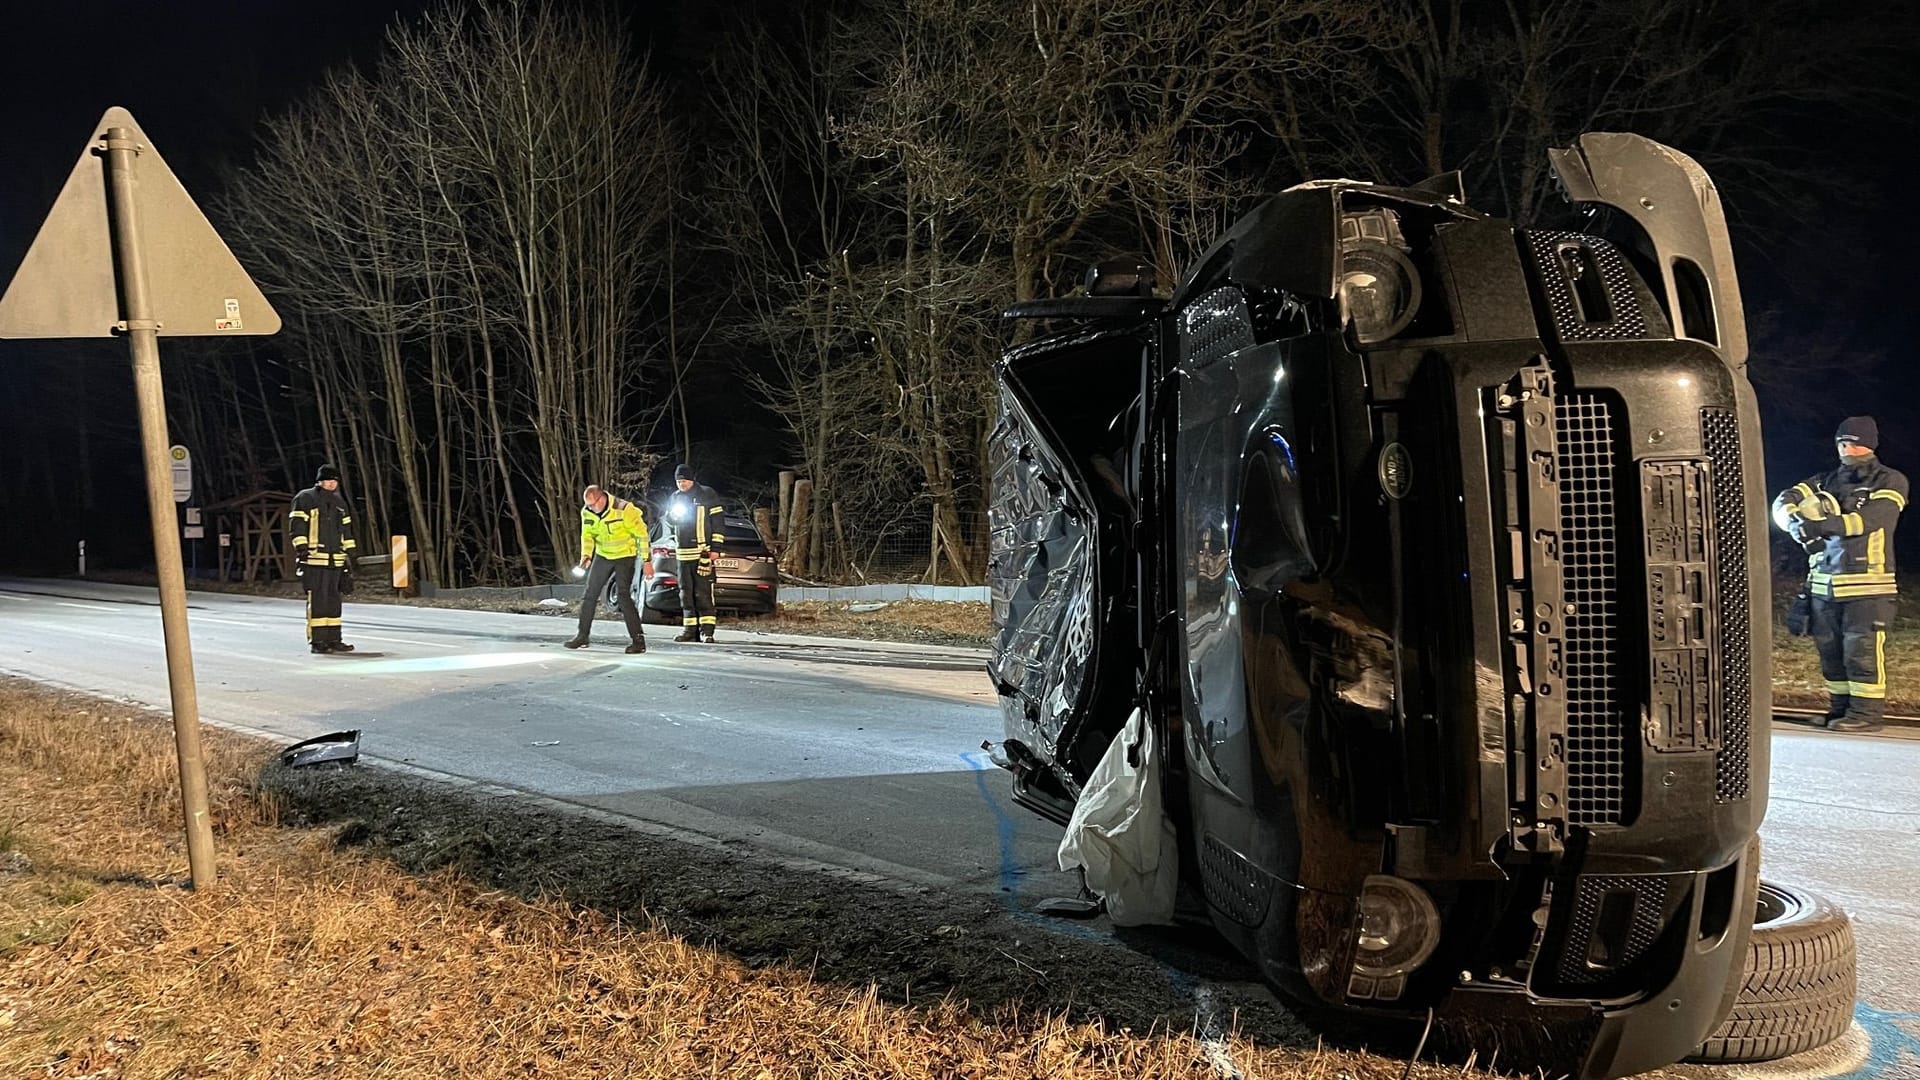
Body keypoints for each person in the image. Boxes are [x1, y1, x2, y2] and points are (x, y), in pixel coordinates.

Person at [1771, 416, 1907, 733]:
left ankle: (1866, 714)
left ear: (1869, 444)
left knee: (1860, 654)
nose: (1848, 448)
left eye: (1854, 442)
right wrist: (1794, 523)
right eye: (1843, 442)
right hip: (1824, 588)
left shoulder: (1890, 480)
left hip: (1868, 589)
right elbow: (1784, 499)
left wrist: (1822, 526)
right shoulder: (1825, 480)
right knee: (1831, 656)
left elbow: (1874, 520)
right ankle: (1840, 711)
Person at [565, 485, 651, 653]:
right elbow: (587, 535)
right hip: (603, 555)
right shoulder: (587, 512)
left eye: (593, 504)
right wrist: (586, 556)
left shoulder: (624, 509)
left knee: (623, 596)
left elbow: (642, 535)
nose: (590, 508)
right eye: (588, 505)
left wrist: (647, 561)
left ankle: (638, 641)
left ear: (602, 498)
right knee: (589, 594)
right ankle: (582, 636)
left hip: (625, 555)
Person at [289, 464, 358, 654]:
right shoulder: (305, 498)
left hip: (335, 560)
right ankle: (318, 642)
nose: (331, 483)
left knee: (333, 601)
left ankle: (334, 639)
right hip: (314, 559)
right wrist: (301, 547)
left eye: (334, 480)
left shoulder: (339, 503)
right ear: (319, 481)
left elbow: (346, 531)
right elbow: (297, 524)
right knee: (318, 601)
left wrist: (351, 553)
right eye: (328, 480)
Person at [670, 463, 725, 643]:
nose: (682, 485)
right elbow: (669, 520)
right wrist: (672, 517)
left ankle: (707, 631)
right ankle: (689, 631)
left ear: (692, 480)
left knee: (703, 593)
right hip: (683, 554)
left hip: (703, 553)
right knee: (685, 593)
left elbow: (718, 522)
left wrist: (716, 548)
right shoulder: (675, 497)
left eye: (684, 481)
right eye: (678, 482)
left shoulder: (707, 494)